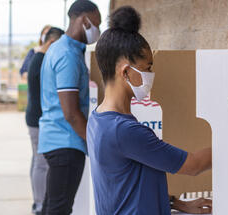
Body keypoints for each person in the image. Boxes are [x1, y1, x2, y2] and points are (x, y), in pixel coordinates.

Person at [87, 6, 212, 215]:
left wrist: (177, 203)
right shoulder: (124, 130)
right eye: (147, 68)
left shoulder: (98, 118)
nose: (151, 75)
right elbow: (194, 165)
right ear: (126, 71)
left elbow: (127, 184)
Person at [38, 0, 101, 214]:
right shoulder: (67, 56)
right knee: (59, 209)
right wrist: (94, 144)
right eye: (96, 24)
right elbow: (71, 113)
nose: (98, 30)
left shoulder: (59, 49)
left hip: (56, 140)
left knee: (52, 206)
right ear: (84, 21)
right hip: (66, 143)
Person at [26, 27, 65, 215]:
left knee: (37, 161)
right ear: (50, 43)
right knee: (41, 164)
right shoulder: (41, 61)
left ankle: (38, 203)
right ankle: (40, 206)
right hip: (37, 119)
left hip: (34, 117)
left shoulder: (38, 58)